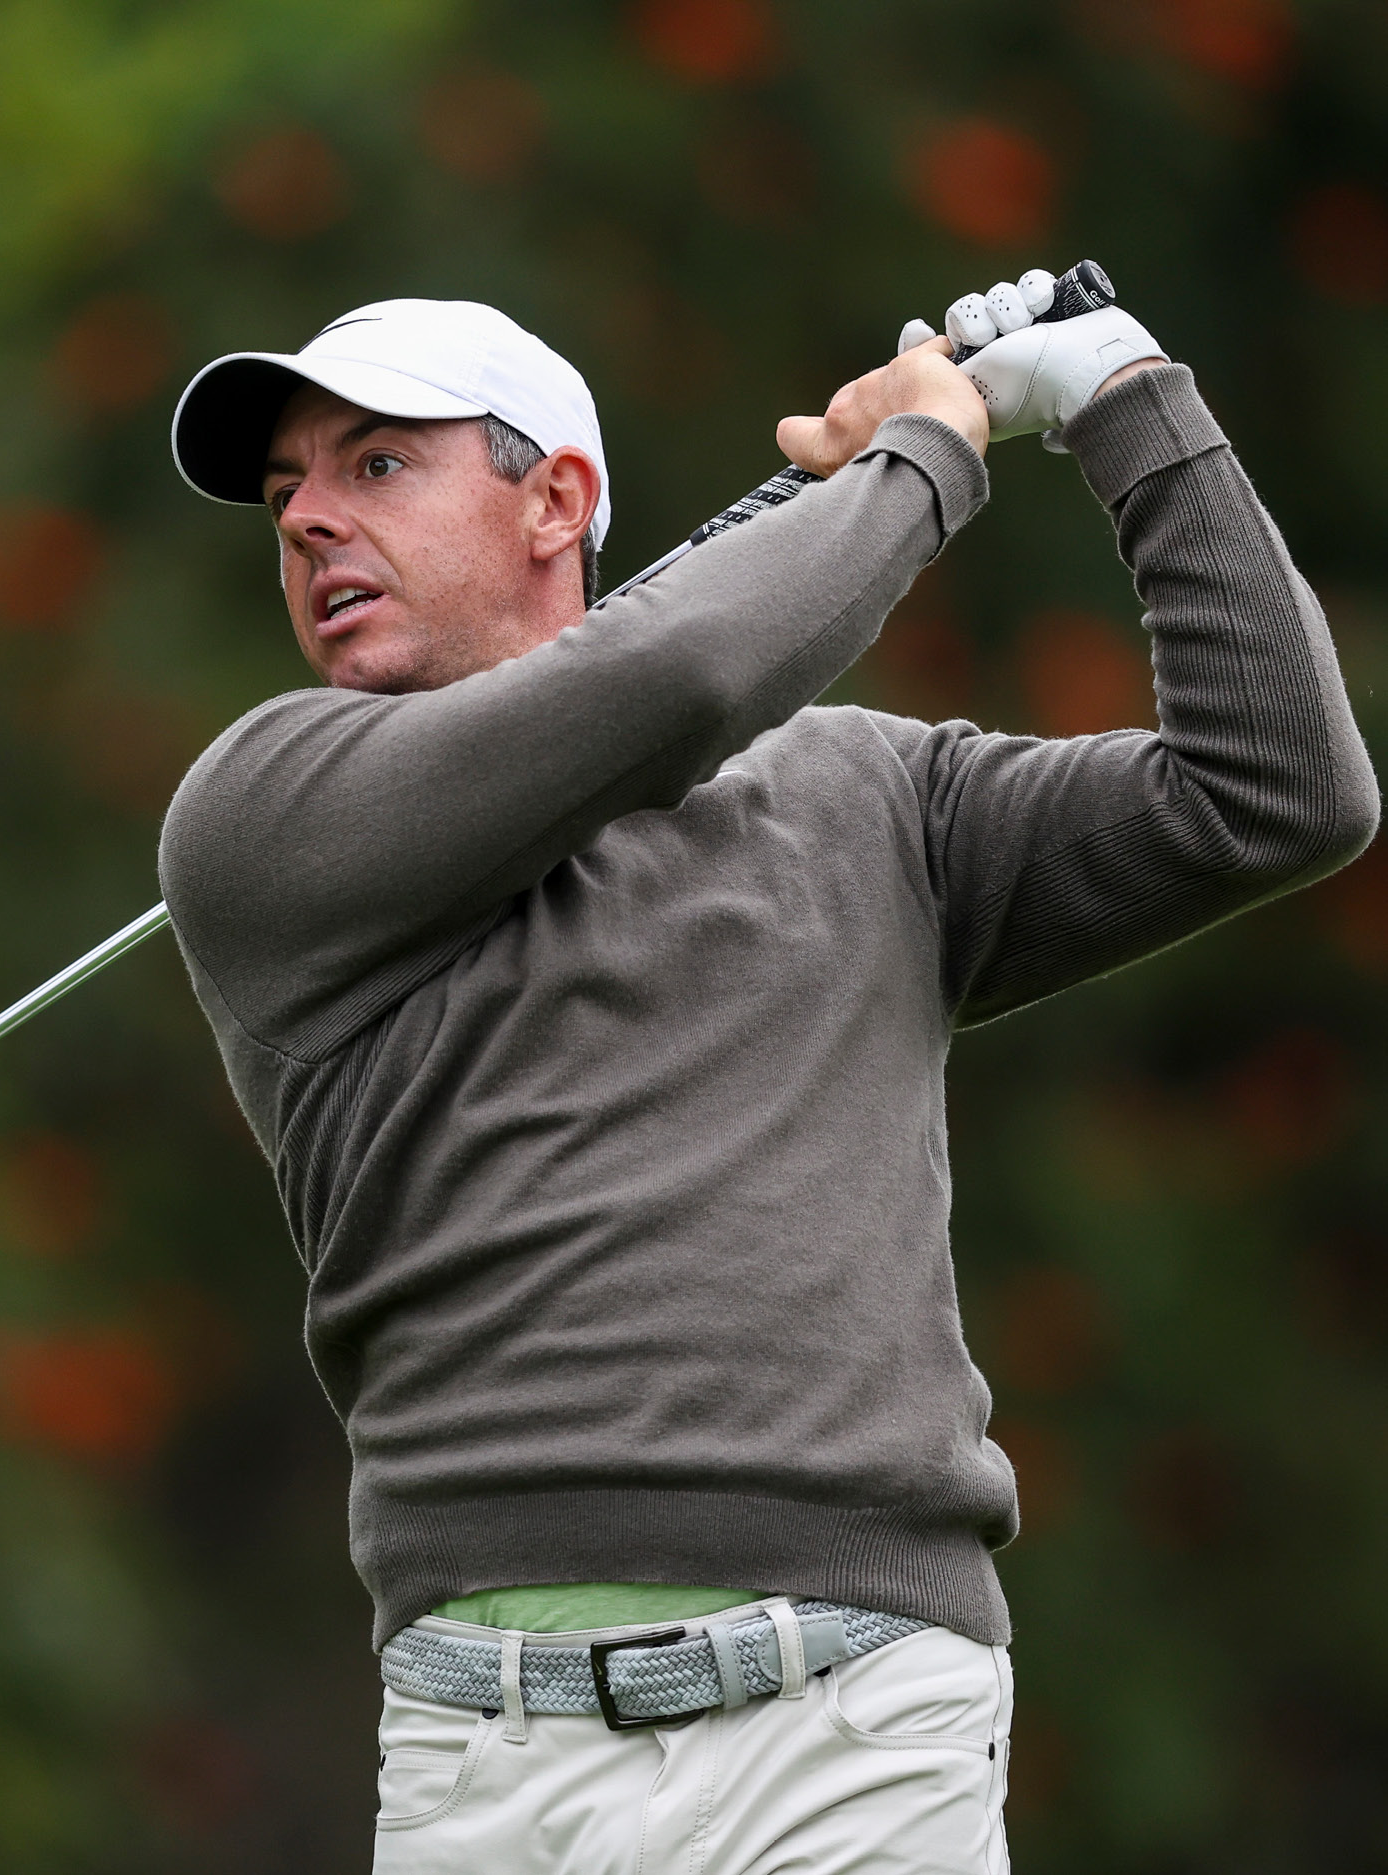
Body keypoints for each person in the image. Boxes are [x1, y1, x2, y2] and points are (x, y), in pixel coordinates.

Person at [153, 290, 1375, 1871]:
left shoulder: (871, 798)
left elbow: (1274, 789)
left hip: (853, 1736)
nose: (311, 516)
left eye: (375, 465)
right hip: (486, 1769)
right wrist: (924, 457)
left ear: (556, 503)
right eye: (285, 497)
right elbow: (671, 681)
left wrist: (1122, 398)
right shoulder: (262, 815)